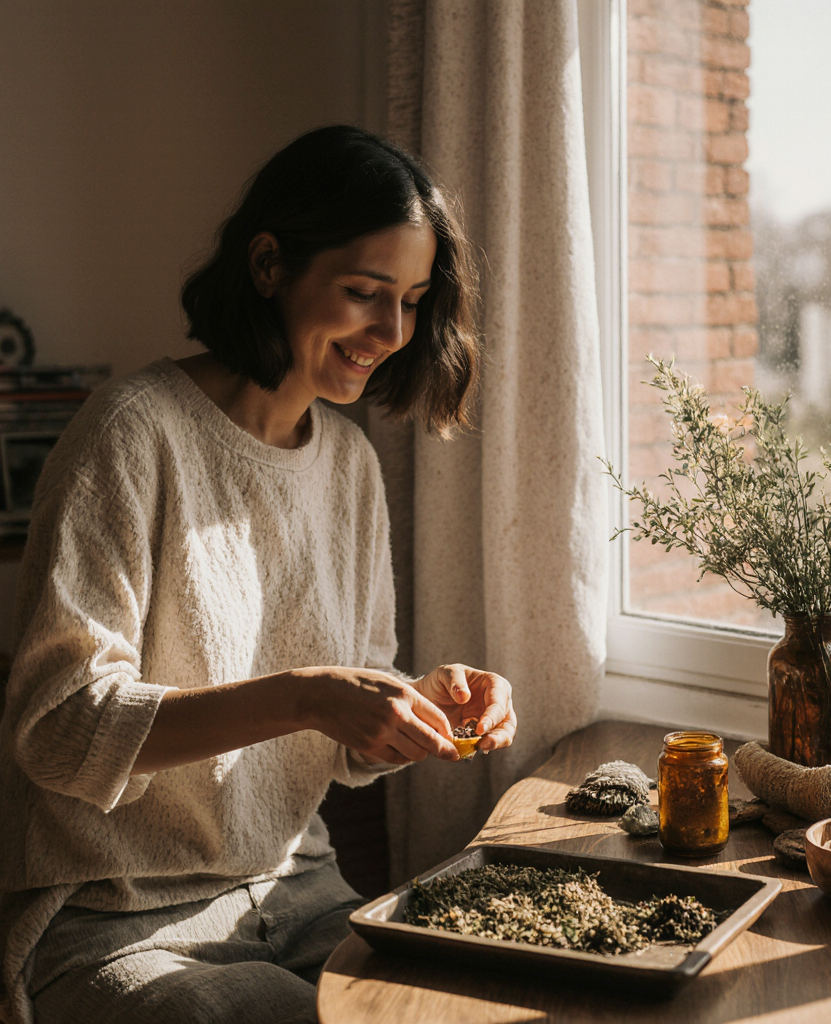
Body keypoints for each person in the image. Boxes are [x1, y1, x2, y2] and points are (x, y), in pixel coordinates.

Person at [0, 125, 516, 1024]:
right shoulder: (131, 432)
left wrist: (412, 704)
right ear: (270, 264)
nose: (392, 332)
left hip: (301, 895)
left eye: (413, 301)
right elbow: (57, 730)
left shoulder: (349, 465)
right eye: (364, 293)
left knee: (476, 1000)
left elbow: (344, 748)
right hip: (116, 919)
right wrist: (306, 696)